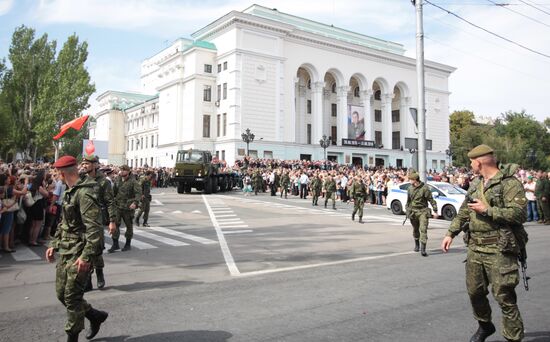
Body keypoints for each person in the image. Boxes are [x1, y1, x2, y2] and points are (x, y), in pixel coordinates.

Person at [441, 144, 527, 342]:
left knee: (504, 296)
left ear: (478, 162)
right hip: (475, 248)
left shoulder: (509, 184)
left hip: (500, 248)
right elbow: (465, 211)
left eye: (472, 162)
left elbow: (519, 214)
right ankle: (485, 326)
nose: (471, 165)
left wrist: (487, 210)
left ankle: (513, 337)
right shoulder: (476, 184)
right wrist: (450, 233)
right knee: (475, 292)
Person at [45, 156, 108, 342]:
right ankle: (94, 315)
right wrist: (54, 244)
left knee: (72, 297)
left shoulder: (84, 193)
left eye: (57, 173)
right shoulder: (70, 191)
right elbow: (64, 222)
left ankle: (72, 337)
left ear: (63, 173)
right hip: (66, 250)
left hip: (80, 252)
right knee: (61, 294)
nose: (56, 176)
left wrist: (87, 257)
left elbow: (95, 228)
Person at [79, 155, 116, 290]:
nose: (84, 166)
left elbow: (110, 202)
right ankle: (87, 279)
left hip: (96, 220)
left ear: (95, 165)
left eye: (87, 163)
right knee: (84, 249)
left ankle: (99, 273)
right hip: (83, 220)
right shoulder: (81, 180)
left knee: (96, 249)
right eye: (83, 164)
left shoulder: (103, 182)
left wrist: (112, 221)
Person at [108, 165, 141, 253]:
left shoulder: (133, 181)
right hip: (118, 207)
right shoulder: (118, 180)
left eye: (124, 170)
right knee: (115, 225)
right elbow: (114, 192)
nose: (121, 171)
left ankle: (128, 244)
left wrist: (135, 203)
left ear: (128, 171)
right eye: (121, 170)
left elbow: (138, 193)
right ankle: (115, 244)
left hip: (128, 208)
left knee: (129, 226)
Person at [406, 172, 438, 256]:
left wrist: (435, 210)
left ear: (415, 180)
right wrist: (407, 211)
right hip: (413, 212)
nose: (409, 181)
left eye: (411, 179)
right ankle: (417, 245)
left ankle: (423, 249)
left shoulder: (424, 188)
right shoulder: (409, 188)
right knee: (415, 229)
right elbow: (408, 201)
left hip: (423, 211)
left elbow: (431, 199)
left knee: (423, 229)